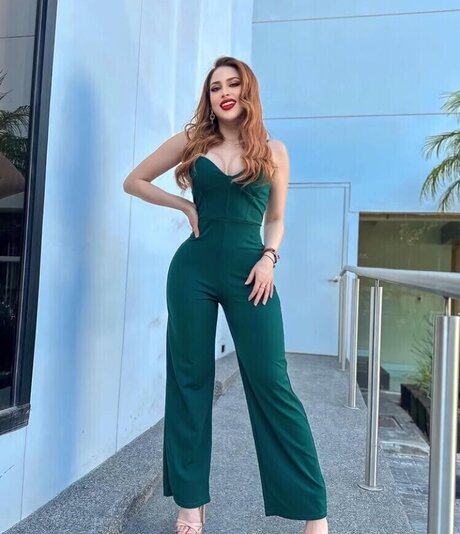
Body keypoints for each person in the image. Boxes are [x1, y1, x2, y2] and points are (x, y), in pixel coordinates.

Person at [123, 56, 328, 534]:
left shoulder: (274, 151)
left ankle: (314, 512)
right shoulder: (193, 141)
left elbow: (276, 218)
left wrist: (269, 258)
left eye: (232, 84)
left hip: (251, 273)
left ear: (247, 91)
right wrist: (183, 205)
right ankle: (191, 504)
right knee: (190, 381)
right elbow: (133, 181)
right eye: (215, 87)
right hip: (192, 271)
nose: (224, 93)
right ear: (209, 97)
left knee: (271, 382)